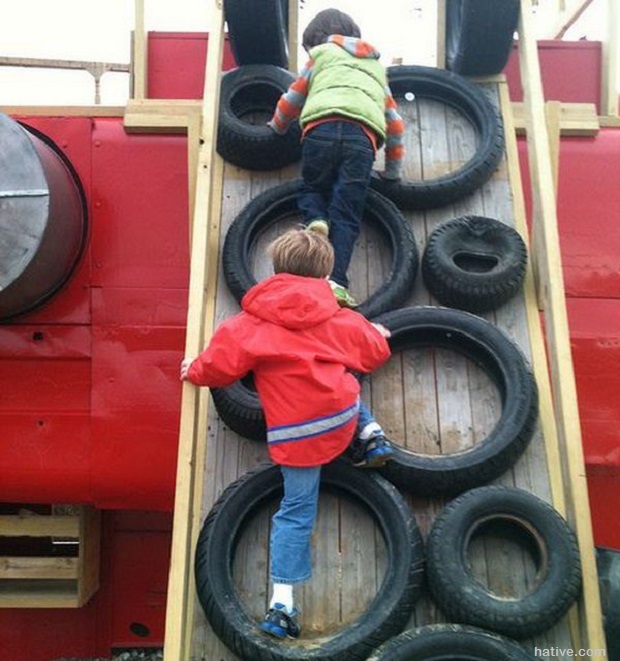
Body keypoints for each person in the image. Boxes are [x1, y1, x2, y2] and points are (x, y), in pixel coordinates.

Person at [180, 228, 394, 639]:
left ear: (275, 268)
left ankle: (282, 605)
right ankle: (371, 434)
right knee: (344, 375)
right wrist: (377, 334)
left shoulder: (248, 323)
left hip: (296, 434)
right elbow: (374, 351)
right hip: (339, 415)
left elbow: (220, 367)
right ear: (325, 272)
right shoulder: (339, 315)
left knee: (295, 513)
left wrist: (194, 370)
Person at [268, 8, 404, 308]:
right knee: (347, 212)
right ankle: (337, 282)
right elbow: (395, 123)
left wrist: (276, 126)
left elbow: (294, 97)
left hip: (321, 128)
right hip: (363, 140)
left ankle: (316, 219)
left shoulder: (321, 55)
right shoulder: (376, 69)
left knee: (312, 187)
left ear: (316, 40)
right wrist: (393, 170)